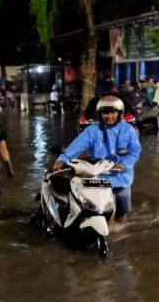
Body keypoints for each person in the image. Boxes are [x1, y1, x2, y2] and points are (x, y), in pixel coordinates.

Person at [52, 95, 141, 223]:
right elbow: (77, 146)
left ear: (120, 113)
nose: (109, 116)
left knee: (121, 214)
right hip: (99, 179)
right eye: (106, 112)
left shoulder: (128, 130)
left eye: (113, 112)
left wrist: (124, 165)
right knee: (102, 212)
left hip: (122, 178)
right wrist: (62, 159)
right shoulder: (92, 131)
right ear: (100, 114)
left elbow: (134, 151)